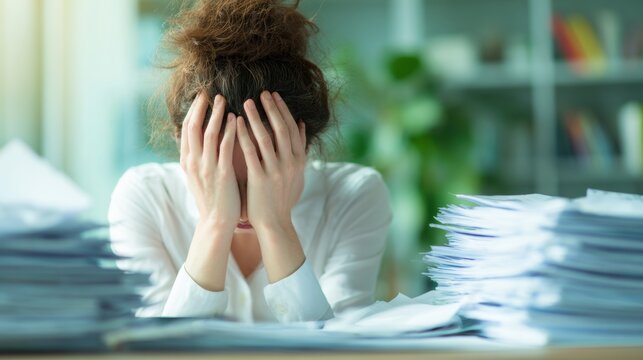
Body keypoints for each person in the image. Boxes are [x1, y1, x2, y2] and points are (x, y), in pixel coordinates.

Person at [107, 0, 392, 323]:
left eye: (264, 175)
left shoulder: (355, 196)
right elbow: (157, 351)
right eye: (223, 179)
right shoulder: (145, 198)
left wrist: (275, 224)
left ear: (305, 146)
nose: (243, 209)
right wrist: (214, 222)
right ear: (184, 145)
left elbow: (340, 348)